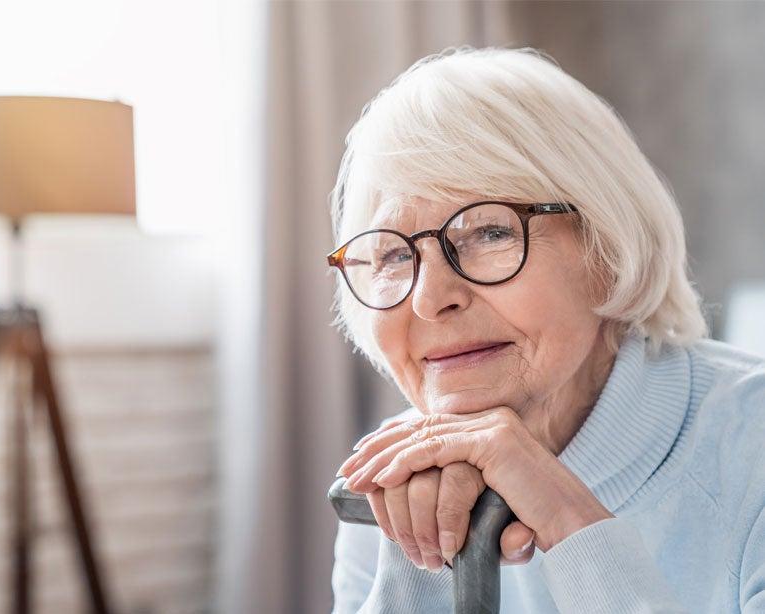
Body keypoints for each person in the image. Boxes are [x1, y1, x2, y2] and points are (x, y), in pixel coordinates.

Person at [326, 45, 765, 613]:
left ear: (609, 247)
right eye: (390, 255)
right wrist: (424, 565)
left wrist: (568, 518)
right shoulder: (395, 478)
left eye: (488, 232)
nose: (432, 299)